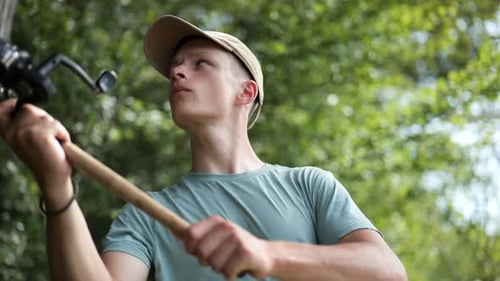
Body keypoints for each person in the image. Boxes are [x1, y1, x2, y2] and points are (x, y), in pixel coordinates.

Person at [0, 15, 407, 281]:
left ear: (245, 92)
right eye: (177, 65)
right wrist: (57, 187)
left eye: (200, 63)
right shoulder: (144, 214)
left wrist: (267, 254)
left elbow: (387, 272)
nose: (177, 71)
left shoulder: (309, 186)